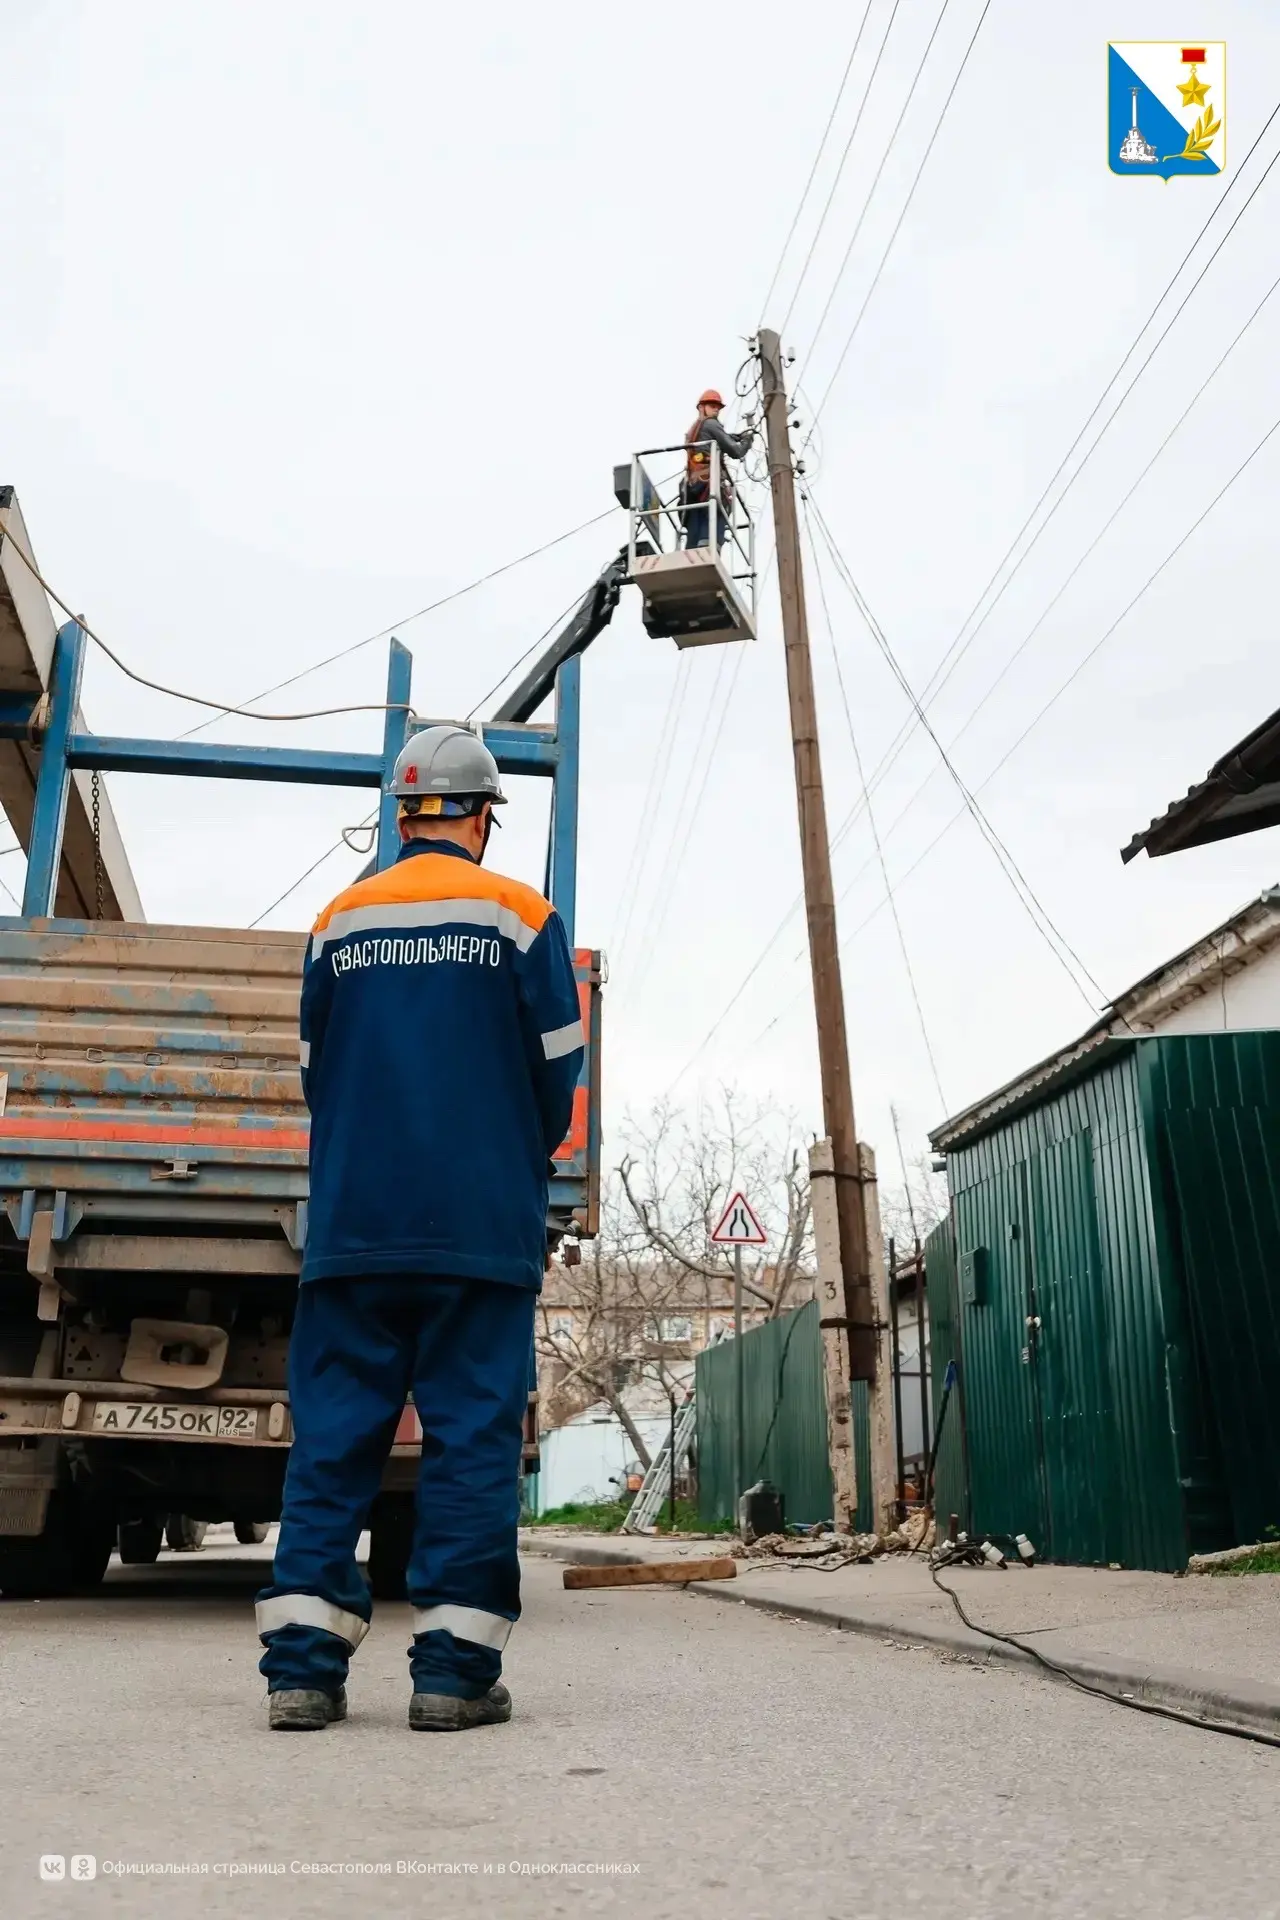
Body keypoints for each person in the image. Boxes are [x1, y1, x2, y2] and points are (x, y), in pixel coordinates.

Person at [256, 725, 584, 1733]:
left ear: (403, 816)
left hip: (353, 1227)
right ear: (481, 813)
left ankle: (302, 1675)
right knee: (469, 1444)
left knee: (333, 1445)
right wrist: (504, 1161)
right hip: (477, 1232)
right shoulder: (521, 919)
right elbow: (556, 1076)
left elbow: (318, 1073)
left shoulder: (337, 922)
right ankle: (451, 1677)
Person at [682, 388, 754, 549]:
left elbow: (714, 439)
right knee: (718, 510)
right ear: (702, 407)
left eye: (718, 407)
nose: (716, 410)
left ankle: (693, 551)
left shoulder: (693, 429)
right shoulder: (711, 424)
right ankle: (709, 549)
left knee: (696, 514)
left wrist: (732, 437)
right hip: (709, 482)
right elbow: (736, 452)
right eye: (712, 406)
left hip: (692, 483)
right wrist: (747, 441)